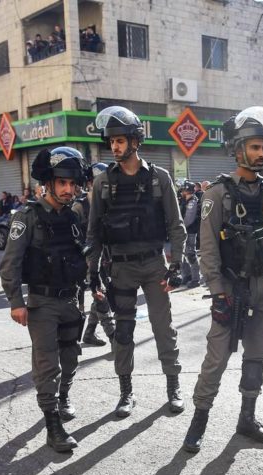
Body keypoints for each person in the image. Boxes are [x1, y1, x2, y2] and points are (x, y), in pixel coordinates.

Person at [182, 106, 263, 453]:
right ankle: (199, 420)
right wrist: (216, 292)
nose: (261, 154)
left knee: (256, 355)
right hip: (229, 288)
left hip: (260, 287)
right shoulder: (218, 194)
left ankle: (247, 418)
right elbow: (208, 249)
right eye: (254, 147)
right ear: (239, 148)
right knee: (217, 358)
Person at [87, 106, 187, 418]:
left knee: (162, 327)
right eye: (112, 141)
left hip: (155, 264)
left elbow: (176, 226)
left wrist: (177, 265)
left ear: (135, 141)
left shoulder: (160, 178)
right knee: (123, 332)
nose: (115, 146)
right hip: (121, 268)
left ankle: (173, 387)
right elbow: (94, 233)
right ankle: (126, 393)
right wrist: (94, 274)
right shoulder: (103, 183)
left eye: (120, 140)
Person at [0, 147, 91, 452]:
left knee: (70, 358)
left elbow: (80, 255)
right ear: (49, 183)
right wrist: (16, 301)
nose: (69, 189)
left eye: (72, 184)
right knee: (46, 364)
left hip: (71, 301)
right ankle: (53, 425)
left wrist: (95, 286)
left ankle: (63, 398)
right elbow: (10, 262)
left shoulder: (74, 216)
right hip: (42, 303)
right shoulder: (27, 216)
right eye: (62, 183)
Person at [73, 162, 115, 347]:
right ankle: (113, 335)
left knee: (101, 291)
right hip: (87, 259)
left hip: (106, 258)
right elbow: (72, 237)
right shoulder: (79, 206)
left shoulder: (110, 203)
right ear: (91, 182)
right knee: (100, 294)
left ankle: (89, 333)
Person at [178, 181, 202, 289]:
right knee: (182, 254)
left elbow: (189, 219)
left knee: (191, 254)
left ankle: (196, 279)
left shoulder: (193, 201)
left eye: (183, 189)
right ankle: (186, 276)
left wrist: (180, 227)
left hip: (190, 231)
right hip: (183, 231)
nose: (181, 191)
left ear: (187, 190)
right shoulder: (184, 200)